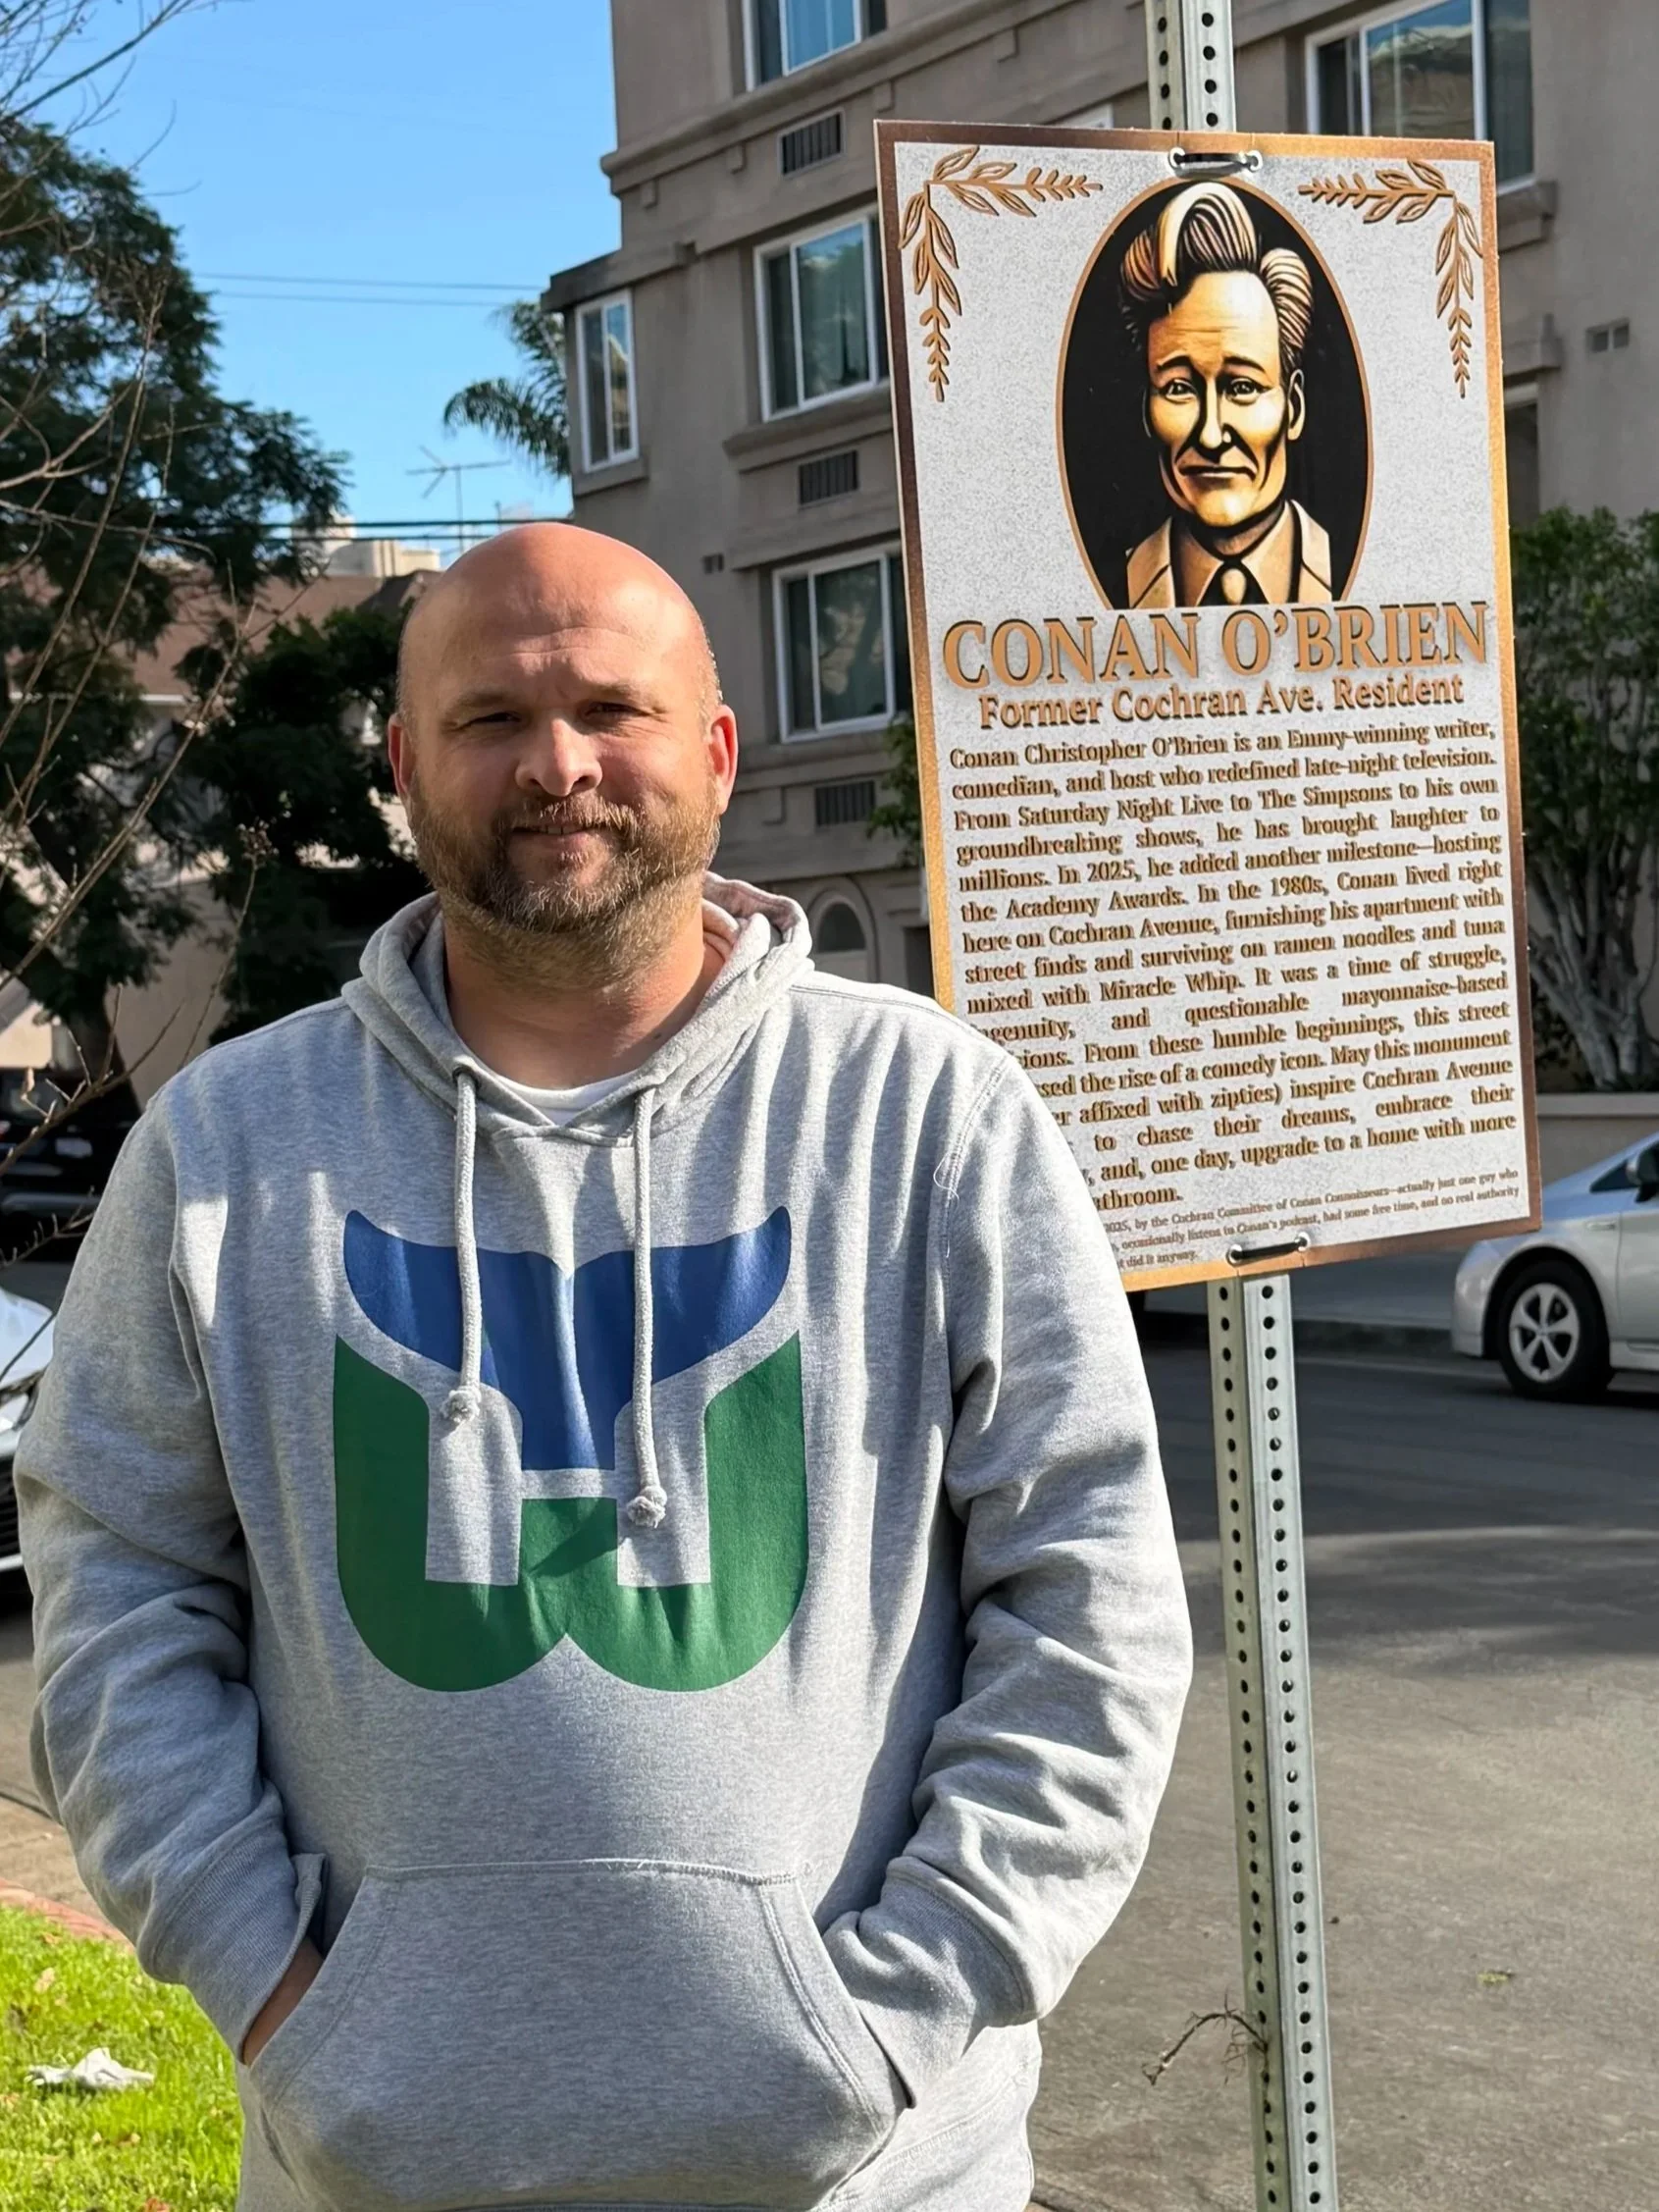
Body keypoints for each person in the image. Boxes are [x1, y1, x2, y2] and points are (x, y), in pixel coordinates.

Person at [20, 523, 1192, 2212]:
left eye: (609, 708)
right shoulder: (225, 1145)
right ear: (406, 764)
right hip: (375, 2162)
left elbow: (1090, 1598)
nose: (556, 762)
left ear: (714, 750)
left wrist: (900, 2010)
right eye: (490, 717)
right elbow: (117, 1592)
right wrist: (287, 2005)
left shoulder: (929, 1114)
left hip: (874, 2170)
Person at [1119, 181, 1333, 609]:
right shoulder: (1119, 578)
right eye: (1179, 388)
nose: (1212, 436)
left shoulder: (1340, 563)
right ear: (1147, 409)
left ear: (1293, 407)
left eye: (1242, 388)